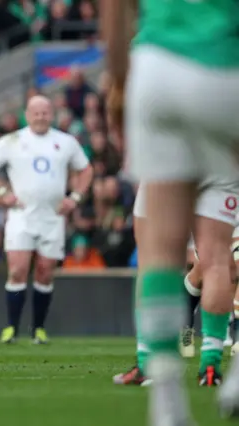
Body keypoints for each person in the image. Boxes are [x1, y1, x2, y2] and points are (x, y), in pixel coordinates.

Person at [101, 0, 239, 421]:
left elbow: (115, 9)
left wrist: (121, 84)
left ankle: (165, 400)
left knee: (158, 251)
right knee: (217, 257)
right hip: (224, 65)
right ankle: (224, 369)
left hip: (156, 68)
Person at [0, 95, 93, 344]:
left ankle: (38, 329)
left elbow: (86, 169)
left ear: (52, 114)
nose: (40, 117)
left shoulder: (66, 142)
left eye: (45, 112)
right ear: (27, 115)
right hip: (22, 216)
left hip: (52, 217)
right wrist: (1, 192)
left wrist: (76, 197)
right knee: (17, 269)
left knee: (45, 272)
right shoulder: (13, 140)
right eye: (36, 112)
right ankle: (11, 328)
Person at [113, 182, 238, 388]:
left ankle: (147, 364)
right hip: (218, 163)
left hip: (171, 161)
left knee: (153, 260)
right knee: (217, 261)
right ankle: (210, 367)